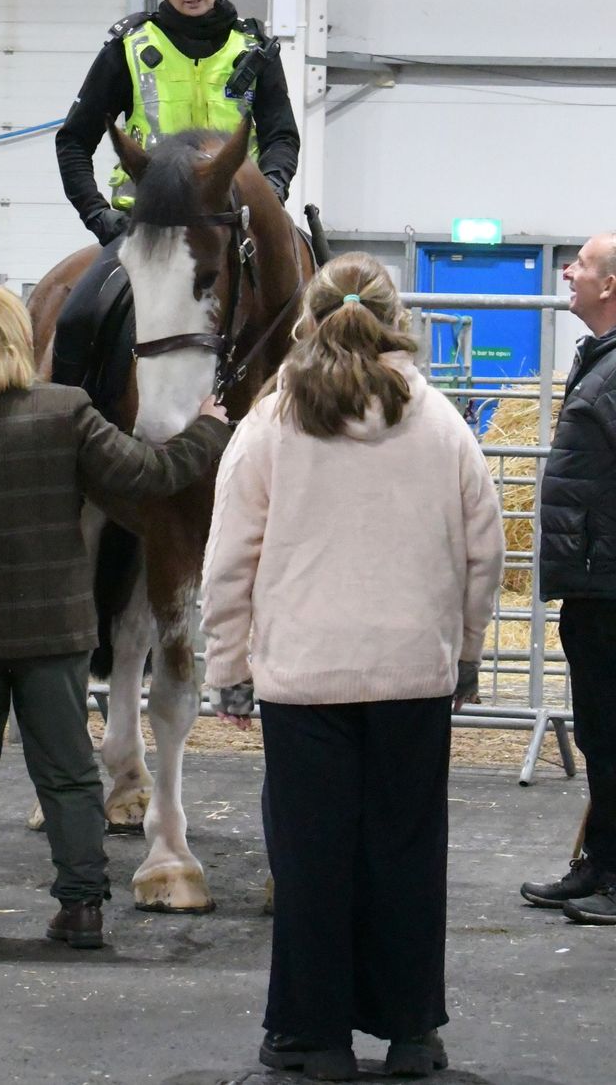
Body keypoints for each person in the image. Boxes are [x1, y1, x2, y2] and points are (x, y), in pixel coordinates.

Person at [199, 253, 504, 1080]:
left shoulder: (270, 423)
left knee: (310, 856)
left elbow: (230, 556)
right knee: (406, 852)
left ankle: (313, 1033)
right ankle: (412, 1031)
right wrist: (468, 648)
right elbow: (487, 547)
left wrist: (226, 660)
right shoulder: (441, 421)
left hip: (304, 677)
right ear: (395, 315)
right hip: (413, 674)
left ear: (311, 312)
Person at [0, 284, 230, 958]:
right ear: (25, 339)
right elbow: (152, 472)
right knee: (69, 772)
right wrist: (207, 426)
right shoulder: (65, 411)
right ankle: (82, 907)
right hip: (55, 630)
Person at [52, 0, 301, 385]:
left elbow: (282, 137)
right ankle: (74, 438)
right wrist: (98, 217)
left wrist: (268, 195)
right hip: (150, 229)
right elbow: (73, 141)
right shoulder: (125, 49)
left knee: (331, 307)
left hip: (239, 226)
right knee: (74, 320)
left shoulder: (255, 49)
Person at [519, 233, 616, 924]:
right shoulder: (600, 361)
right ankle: (600, 863)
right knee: (599, 733)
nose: (568, 272)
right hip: (593, 582)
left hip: (609, 583)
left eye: (579, 264)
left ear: (608, 285)